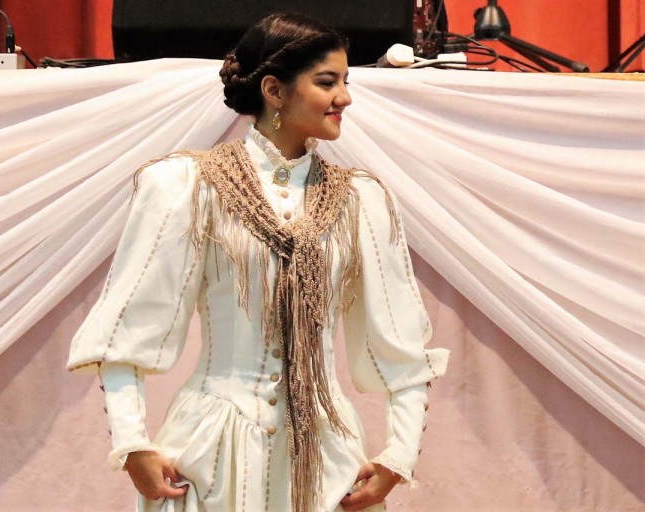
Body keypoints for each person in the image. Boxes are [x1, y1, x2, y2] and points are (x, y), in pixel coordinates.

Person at [67, 12, 449, 512]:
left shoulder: (359, 200)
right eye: (327, 82)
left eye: (346, 82)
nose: (345, 98)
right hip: (212, 455)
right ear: (274, 90)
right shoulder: (189, 186)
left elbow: (402, 346)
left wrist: (399, 456)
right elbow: (127, 329)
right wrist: (132, 443)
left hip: (326, 459)